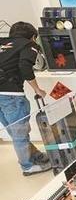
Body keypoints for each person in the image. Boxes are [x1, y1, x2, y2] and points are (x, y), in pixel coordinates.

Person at [0, 22, 51, 176]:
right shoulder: (29, 44)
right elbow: (25, 66)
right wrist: (37, 89)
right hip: (11, 95)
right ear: (33, 36)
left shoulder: (2, 43)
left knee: (14, 131)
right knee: (20, 133)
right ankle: (27, 166)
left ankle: (34, 155)